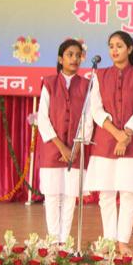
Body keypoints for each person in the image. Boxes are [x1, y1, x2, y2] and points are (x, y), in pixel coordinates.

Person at [85, 31, 133, 257]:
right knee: (107, 194)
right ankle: (109, 239)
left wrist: (127, 135)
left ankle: (123, 241)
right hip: (105, 142)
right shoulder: (99, 76)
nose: (114, 50)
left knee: (129, 194)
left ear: (130, 49)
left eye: (119, 46)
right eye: (111, 45)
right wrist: (117, 134)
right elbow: (96, 109)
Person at [37, 39, 91, 245]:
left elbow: (88, 119)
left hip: (76, 150)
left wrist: (75, 148)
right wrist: (62, 147)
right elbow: (43, 118)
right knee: (52, 196)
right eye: (70, 54)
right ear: (60, 59)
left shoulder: (87, 85)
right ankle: (52, 241)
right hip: (53, 149)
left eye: (78, 55)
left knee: (69, 197)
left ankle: (65, 241)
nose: (75, 59)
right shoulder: (49, 83)